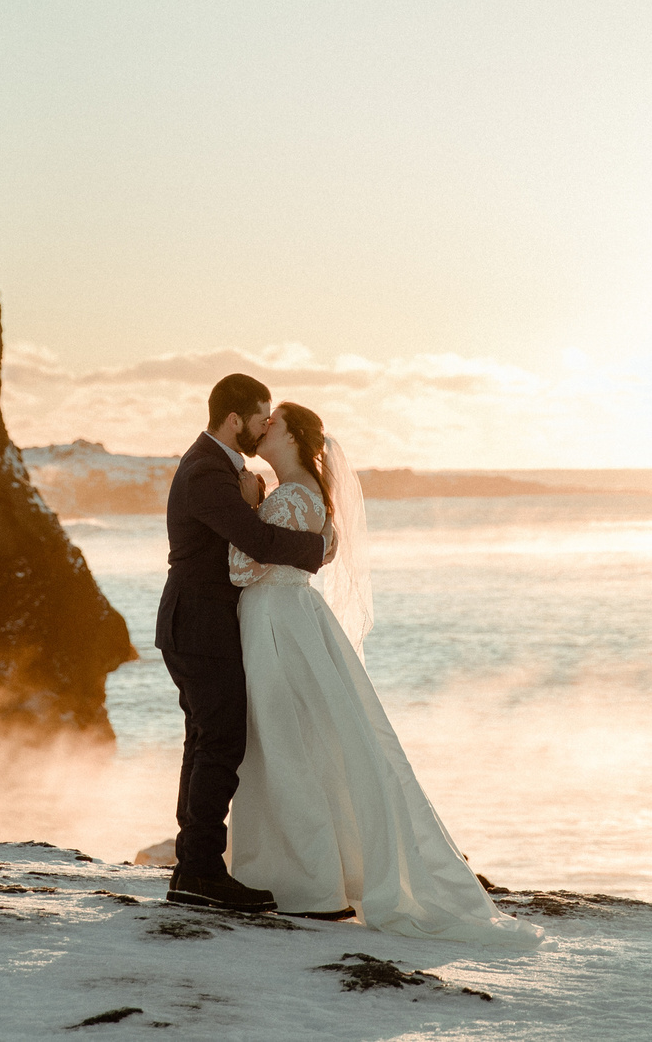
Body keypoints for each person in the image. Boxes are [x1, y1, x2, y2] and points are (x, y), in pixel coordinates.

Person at [226, 401, 540, 948]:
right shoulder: (309, 498)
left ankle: (311, 886)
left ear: (295, 439)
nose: (263, 427)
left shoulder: (288, 499)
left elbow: (238, 568)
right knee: (308, 744)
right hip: (293, 619)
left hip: (276, 623)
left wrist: (247, 507)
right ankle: (322, 878)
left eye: (272, 422)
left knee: (282, 745)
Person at [155, 373, 331, 913]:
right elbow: (253, 542)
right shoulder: (208, 471)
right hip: (200, 627)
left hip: (202, 626)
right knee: (221, 743)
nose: (263, 429)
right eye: (260, 419)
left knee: (207, 741)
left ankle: (195, 867)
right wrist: (317, 547)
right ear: (235, 419)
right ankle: (201, 871)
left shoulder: (220, 467)